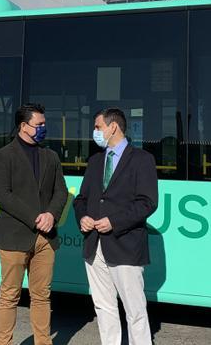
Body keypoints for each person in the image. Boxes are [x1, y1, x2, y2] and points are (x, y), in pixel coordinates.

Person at [74, 107, 158, 345]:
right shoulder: (95, 161)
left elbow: (147, 202)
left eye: (98, 127)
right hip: (94, 245)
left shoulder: (142, 160)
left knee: (135, 309)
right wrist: (82, 217)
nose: (95, 132)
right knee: (103, 306)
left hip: (125, 244)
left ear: (113, 127)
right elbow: (81, 200)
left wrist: (114, 222)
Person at [0, 103, 68, 345]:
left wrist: (51, 215)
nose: (43, 128)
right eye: (39, 125)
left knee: (42, 297)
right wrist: (37, 217)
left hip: (45, 238)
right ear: (23, 126)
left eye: (44, 124)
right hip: (13, 237)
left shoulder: (50, 156)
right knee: (9, 296)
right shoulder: (2, 156)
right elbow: (3, 194)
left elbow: (61, 191)